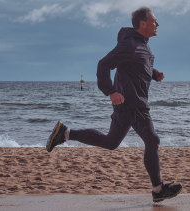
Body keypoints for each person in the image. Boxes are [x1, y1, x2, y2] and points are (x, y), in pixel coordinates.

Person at [46, 7, 182, 202]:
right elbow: (104, 64)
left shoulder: (141, 45)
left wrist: (154, 73)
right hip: (134, 103)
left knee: (111, 142)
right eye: (154, 21)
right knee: (152, 140)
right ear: (143, 24)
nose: (157, 24)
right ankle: (158, 189)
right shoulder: (130, 45)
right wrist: (110, 91)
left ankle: (65, 133)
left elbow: (138, 64)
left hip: (130, 104)